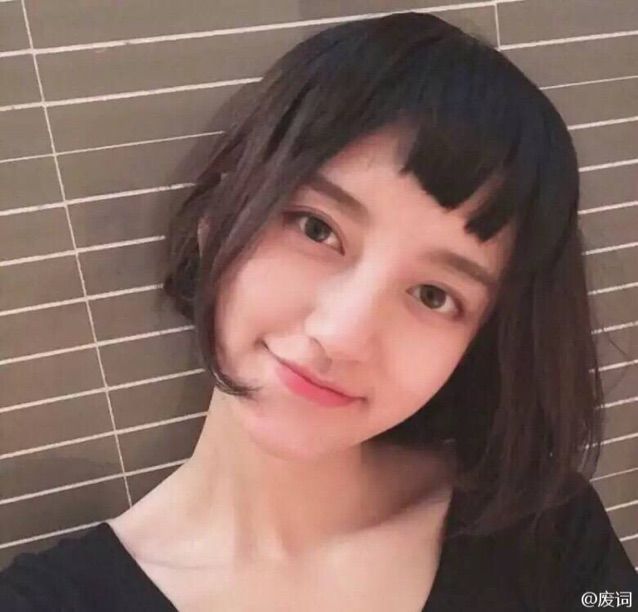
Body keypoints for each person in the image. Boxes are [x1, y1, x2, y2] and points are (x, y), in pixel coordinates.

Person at [1, 11, 636, 612]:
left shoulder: (548, 538)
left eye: (433, 295)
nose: (343, 334)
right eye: (316, 228)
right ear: (219, 216)